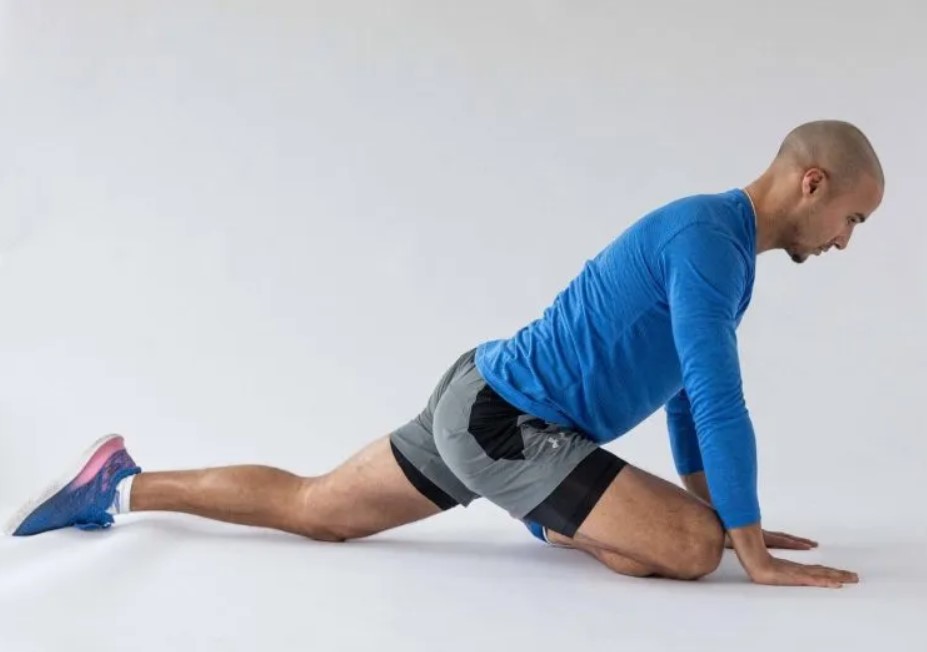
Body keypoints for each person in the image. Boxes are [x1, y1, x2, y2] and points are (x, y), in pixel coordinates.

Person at [5, 120, 884, 588]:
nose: (846, 242)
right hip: (510, 423)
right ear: (812, 183)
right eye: (852, 219)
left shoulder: (723, 252)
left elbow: (689, 405)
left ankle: (119, 485)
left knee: (319, 510)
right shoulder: (707, 242)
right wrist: (741, 545)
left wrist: (743, 521)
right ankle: (547, 511)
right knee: (691, 550)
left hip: (484, 400)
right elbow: (716, 397)